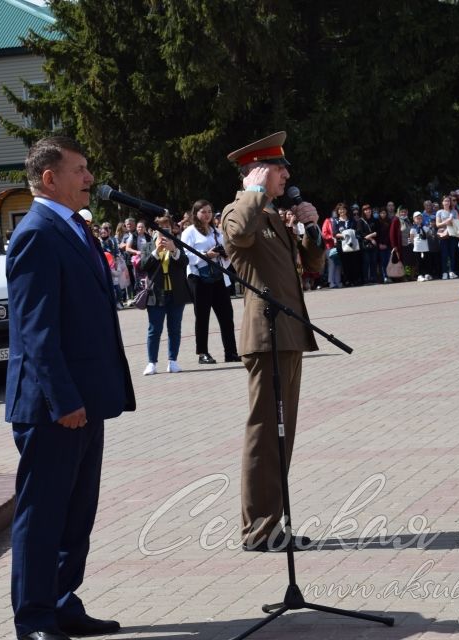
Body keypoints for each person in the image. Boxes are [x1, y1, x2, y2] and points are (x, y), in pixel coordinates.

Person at [5, 136, 135, 640]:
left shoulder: (75, 229)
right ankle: (34, 618)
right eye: (79, 170)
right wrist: (64, 401)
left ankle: (61, 601)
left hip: (85, 399)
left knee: (77, 512)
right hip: (53, 406)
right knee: (42, 516)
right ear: (49, 178)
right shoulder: (36, 233)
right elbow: (36, 330)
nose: (89, 178)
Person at [220, 131, 324, 552]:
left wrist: (311, 229)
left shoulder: (272, 217)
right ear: (259, 172)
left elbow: (311, 266)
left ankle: (273, 525)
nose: (287, 176)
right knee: (266, 433)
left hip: (287, 336)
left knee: (283, 434)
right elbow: (237, 236)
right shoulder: (240, 211)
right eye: (279, 169)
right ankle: (258, 530)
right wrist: (253, 191)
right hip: (265, 338)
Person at [181, 199, 239, 365]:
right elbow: (187, 256)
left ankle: (231, 352)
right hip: (199, 278)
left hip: (218, 277)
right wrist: (206, 255)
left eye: (209, 211)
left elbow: (225, 253)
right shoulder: (189, 232)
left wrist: (224, 255)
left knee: (227, 315)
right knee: (202, 316)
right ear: (196, 214)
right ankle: (202, 353)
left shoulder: (216, 231)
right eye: (203, 212)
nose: (206, 215)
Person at [141, 215, 190, 375]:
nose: (163, 232)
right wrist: (156, 251)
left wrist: (173, 250)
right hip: (156, 294)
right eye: (159, 228)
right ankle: (151, 363)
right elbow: (144, 265)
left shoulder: (177, 245)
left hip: (176, 293)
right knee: (154, 329)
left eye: (166, 228)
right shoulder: (148, 246)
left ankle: (172, 361)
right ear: (152, 231)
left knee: (174, 329)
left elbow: (184, 263)